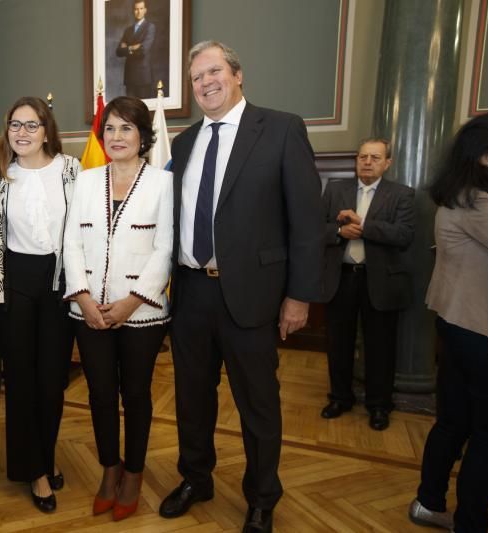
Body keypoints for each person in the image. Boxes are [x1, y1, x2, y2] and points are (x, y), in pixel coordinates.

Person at [157, 41, 323, 533]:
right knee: (190, 398)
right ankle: (196, 478)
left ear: (237, 75)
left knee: (258, 404)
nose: (205, 82)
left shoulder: (281, 129)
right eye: (196, 78)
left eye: (214, 72)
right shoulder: (184, 143)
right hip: (189, 293)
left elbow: (307, 223)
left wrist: (299, 295)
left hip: (251, 295)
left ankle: (262, 497)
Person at [63, 95, 172, 521]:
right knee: (100, 393)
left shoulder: (163, 183)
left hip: (141, 315)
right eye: (109, 128)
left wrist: (131, 302)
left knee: (138, 395)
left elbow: (165, 248)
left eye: (126, 128)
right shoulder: (86, 181)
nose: (116, 136)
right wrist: (84, 298)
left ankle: (134, 472)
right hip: (88, 312)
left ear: (143, 135)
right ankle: (110, 469)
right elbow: (70, 241)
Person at [0, 96, 80, 513]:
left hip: (59, 283)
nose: (22, 133)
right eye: (14, 125)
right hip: (15, 286)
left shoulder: (72, 171)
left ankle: (46, 453)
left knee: (53, 380)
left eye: (31, 125)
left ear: (46, 130)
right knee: (21, 381)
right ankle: (35, 471)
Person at [410, 111, 488, 533]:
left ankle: (429, 501)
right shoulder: (479, 202)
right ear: (487, 157)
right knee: (487, 434)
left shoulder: (459, 195)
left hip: (457, 324)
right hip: (478, 331)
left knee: (453, 421)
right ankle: (471, 522)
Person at [320, 138, 415, 431]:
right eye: (362, 157)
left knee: (380, 348)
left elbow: (403, 236)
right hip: (341, 278)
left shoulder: (401, 195)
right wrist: (338, 230)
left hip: (380, 282)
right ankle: (340, 398)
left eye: (375, 157)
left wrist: (361, 226)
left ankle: (379, 405)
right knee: (339, 344)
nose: (367, 162)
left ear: (387, 163)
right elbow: (316, 228)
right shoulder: (336, 190)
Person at [116, 0, 156, 98]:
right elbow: (118, 51)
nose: (138, 11)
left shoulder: (150, 27)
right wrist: (133, 47)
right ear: (133, 11)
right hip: (129, 77)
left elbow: (143, 51)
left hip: (143, 77)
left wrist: (127, 48)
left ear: (145, 10)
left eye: (141, 9)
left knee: (143, 109)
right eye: (136, 9)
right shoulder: (128, 30)